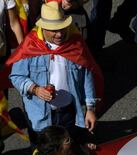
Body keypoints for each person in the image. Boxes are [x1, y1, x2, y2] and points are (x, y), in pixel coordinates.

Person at [7, 1, 103, 144]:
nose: (59, 34)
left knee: (69, 150)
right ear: (43, 28)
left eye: (62, 28)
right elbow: (16, 76)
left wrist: (90, 109)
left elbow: (87, 76)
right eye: (54, 30)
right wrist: (35, 89)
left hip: (68, 113)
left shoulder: (75, 45)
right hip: (40, 115)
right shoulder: (30, 46)